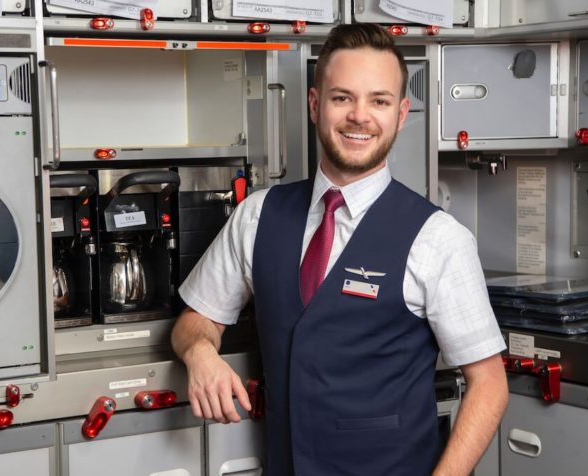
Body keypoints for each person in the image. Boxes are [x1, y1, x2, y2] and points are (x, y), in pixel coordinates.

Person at [171, 23, 508, 476]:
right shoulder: (257, 215)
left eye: (379, 101)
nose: (359, 116)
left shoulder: (438, 239)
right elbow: (196, 320)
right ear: (315, 105)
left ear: (401, 114)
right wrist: (201, 354)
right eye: (342, 97)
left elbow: (489, 385)